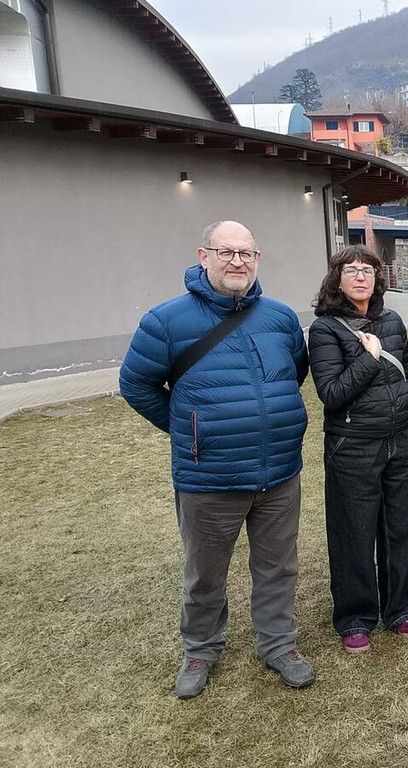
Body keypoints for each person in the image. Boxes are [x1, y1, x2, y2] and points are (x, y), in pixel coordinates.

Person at [119, 220, 314, 699]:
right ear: (203, 256)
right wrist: (191, 432)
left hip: (279, 472)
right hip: (210, 478)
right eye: (226, 252)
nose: (237, 261)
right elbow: (136, 384)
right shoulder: (166, 321)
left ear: (257, 259)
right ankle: (200, 649)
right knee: (205, 573)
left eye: (246, 253)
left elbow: (294, 372)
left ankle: (278, 644)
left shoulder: (281, 318)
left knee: (278, 568)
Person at [307, 245, 408, 654]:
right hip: (353, 446)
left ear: (378, 279)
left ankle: (399, 609)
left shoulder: (391, 320)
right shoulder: (325, 329)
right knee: (353, 533)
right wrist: (370, 359)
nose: (361, 277)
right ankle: (355, 616)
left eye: (368, 270)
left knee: (399, 529)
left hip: (400, 442)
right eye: (351, 270)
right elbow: (331, 393)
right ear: (337, 279)